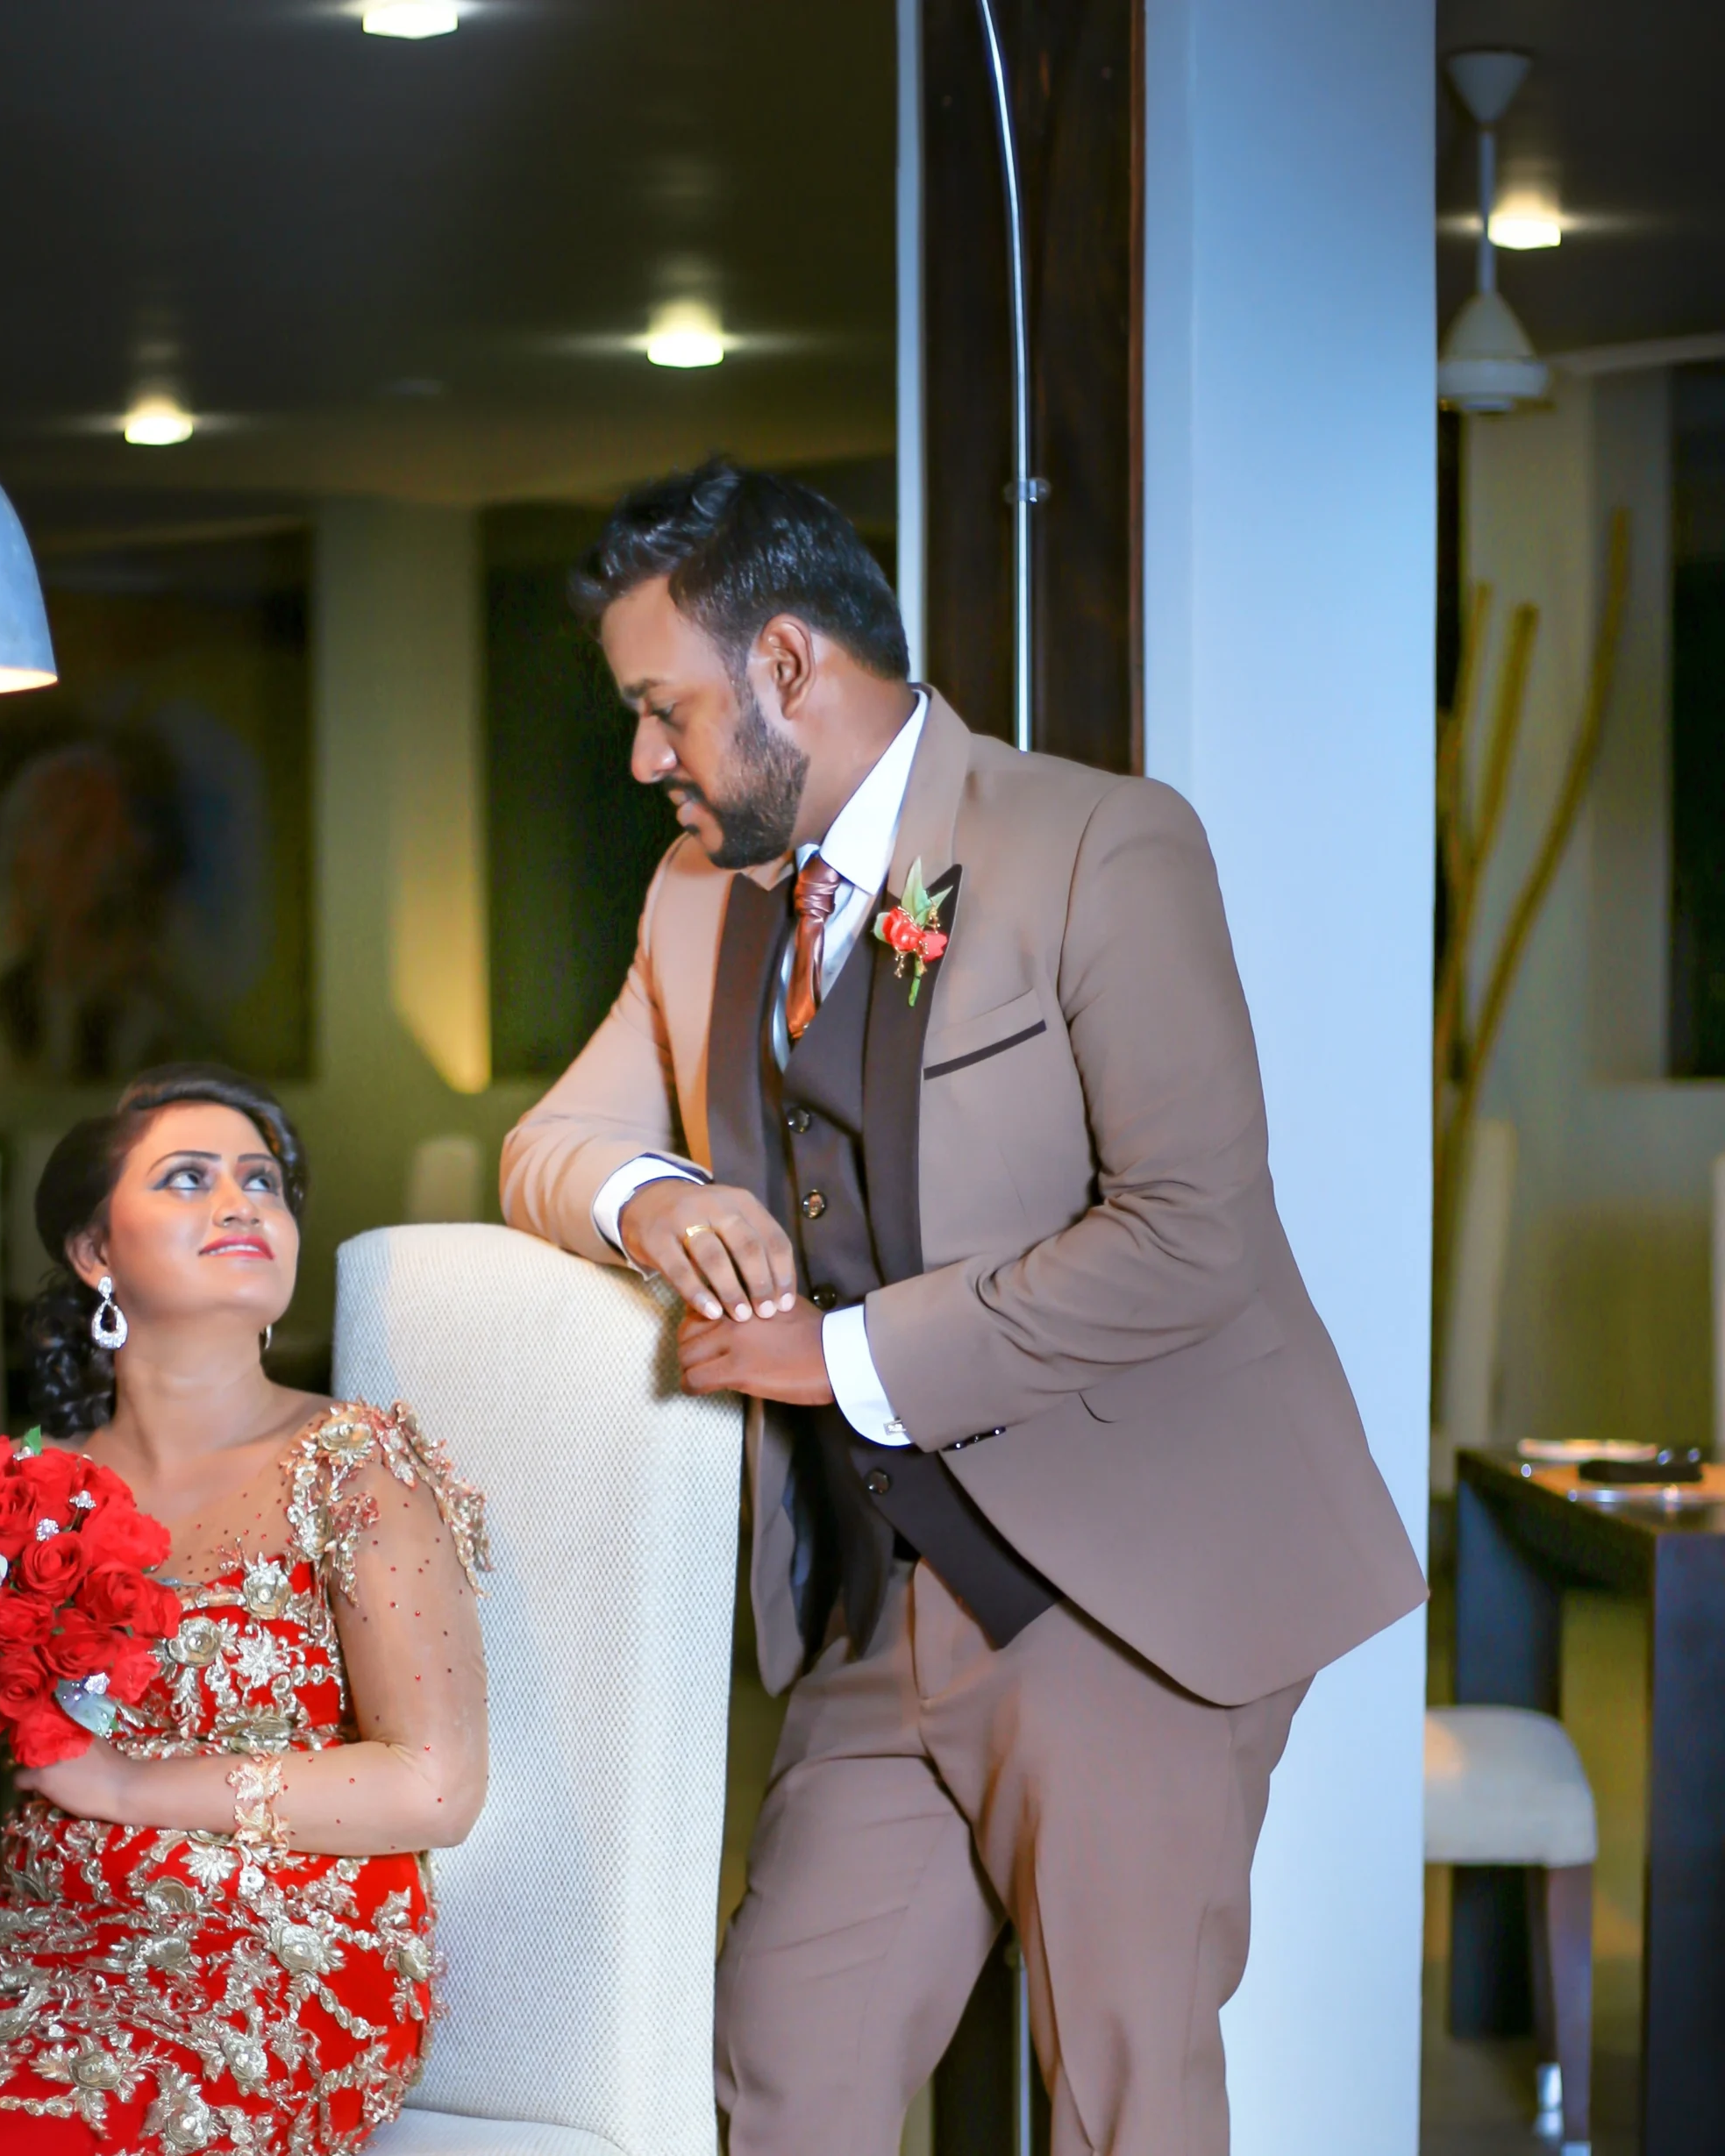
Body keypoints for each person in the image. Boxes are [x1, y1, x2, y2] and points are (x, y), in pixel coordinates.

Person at [500, 460, 1425, 2156]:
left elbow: (1189, 1231)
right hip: (873, 1607)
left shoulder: (1096, 844)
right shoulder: (698, 897)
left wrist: (840, 1354)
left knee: (1124, 2102)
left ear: (786, 666)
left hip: (1123, 1591)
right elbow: (551, 1145)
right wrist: (662, 1193)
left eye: (663, 707)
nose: (645, 757)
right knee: (786, 2064)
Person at [0, 1064, 488, 2156]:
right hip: (30, 1932)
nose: (241, 1200)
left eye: (264, 1179)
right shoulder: (10, 1494)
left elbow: (432, 1782)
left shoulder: (351, 1467)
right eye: (188, 1177)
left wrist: (123, 1782)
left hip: (273, 1950)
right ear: (94, 1252)